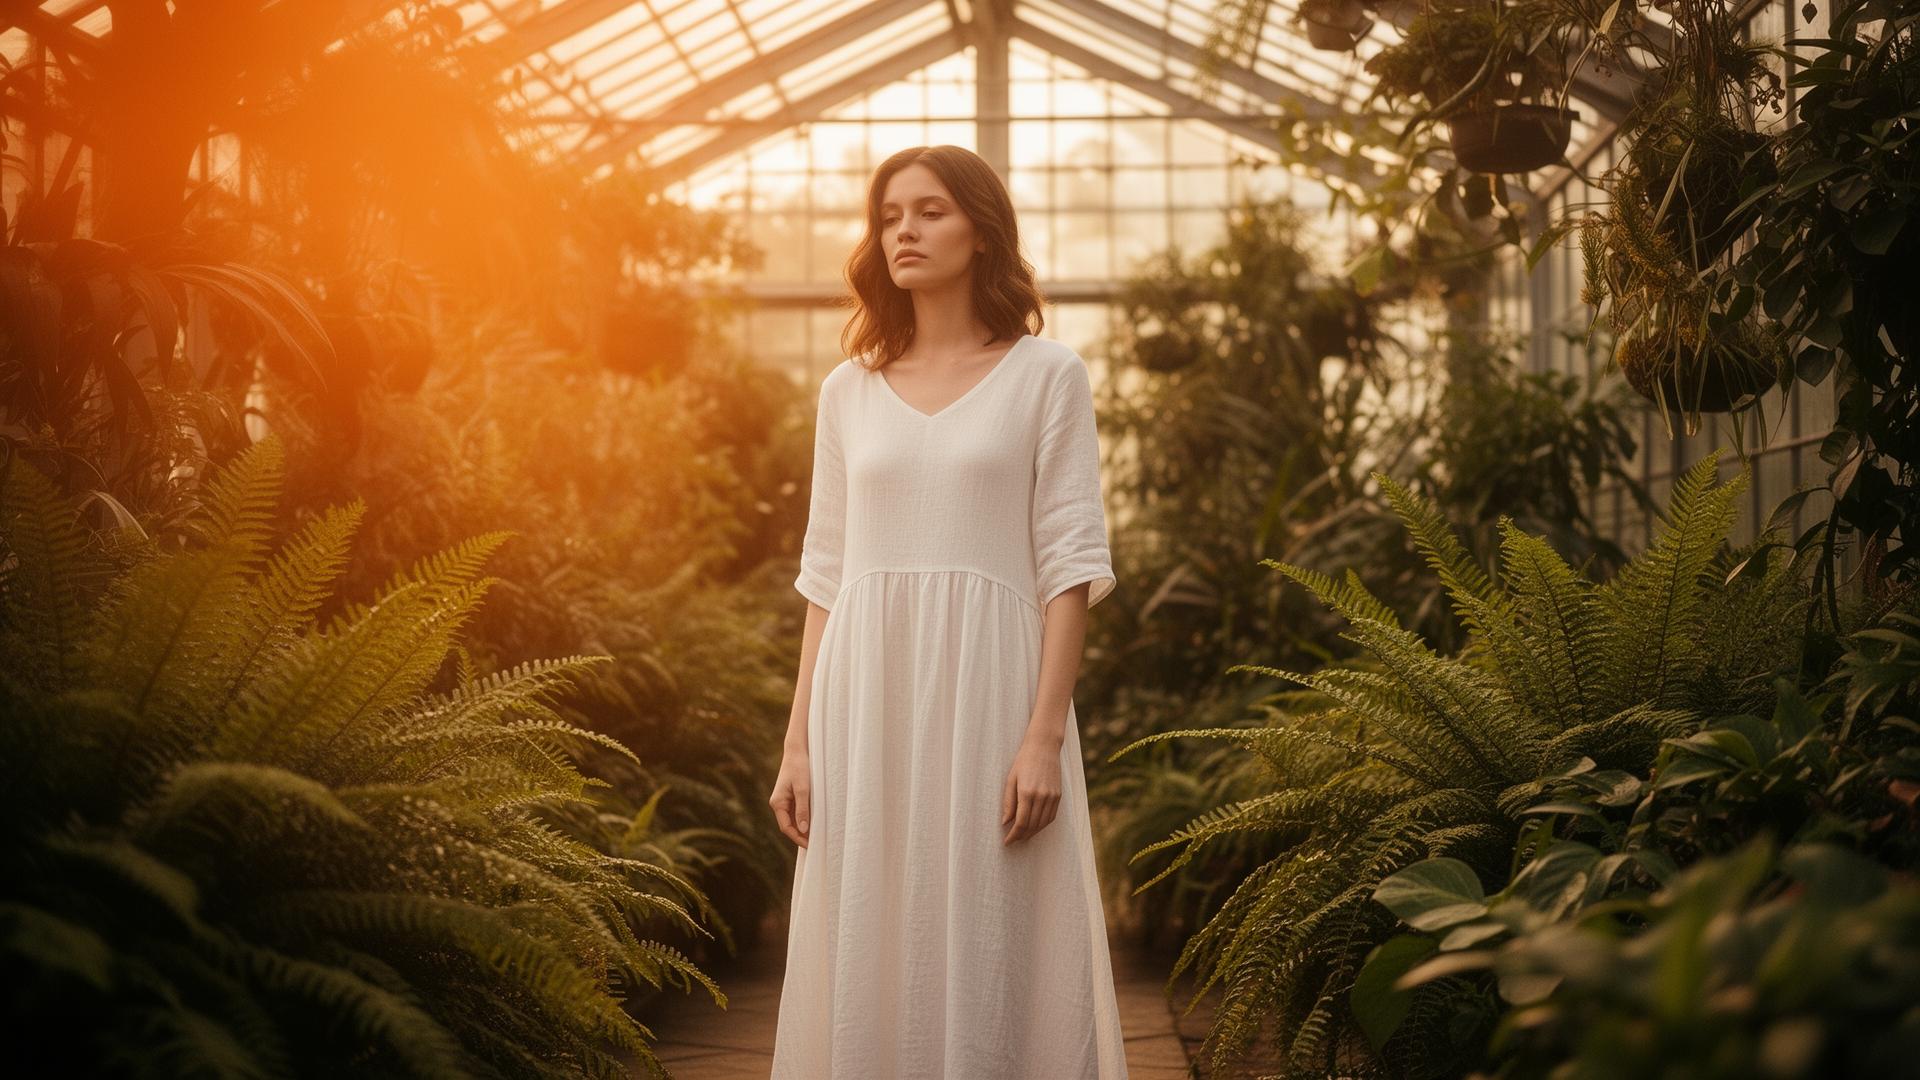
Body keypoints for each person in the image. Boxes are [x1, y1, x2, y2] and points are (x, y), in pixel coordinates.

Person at [767, 145, 1129, 1079]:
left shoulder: (1048, 375)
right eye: (889, 216)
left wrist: (1042, 737)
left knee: (995, 930)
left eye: (929, 212)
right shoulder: (845, 392)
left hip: (994, 697)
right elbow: (825, 577)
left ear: (981, 231)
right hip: (865, 702)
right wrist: (797, 742)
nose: (904, 232)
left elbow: (1071, 568)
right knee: (873, 928)